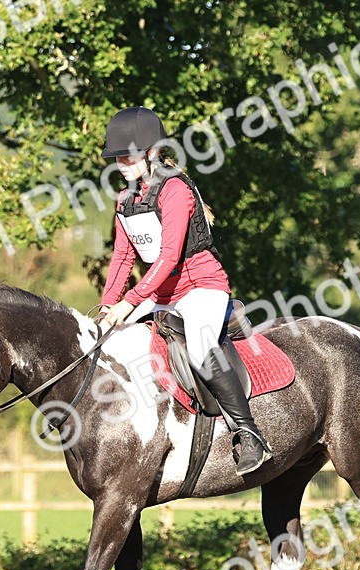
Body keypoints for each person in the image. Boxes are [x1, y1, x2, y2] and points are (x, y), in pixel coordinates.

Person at [96, 106, 271, 476]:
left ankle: (249, 433)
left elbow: (170, 255)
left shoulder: (174, 189)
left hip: (201, 287)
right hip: (160, 293)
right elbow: (123, 257)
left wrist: (130, 301)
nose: (121, 164)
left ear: (149, 152)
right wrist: (107, 304)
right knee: (108, 339)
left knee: (201, 343)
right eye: (116, 157)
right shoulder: (125, 199)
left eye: (127, 156)